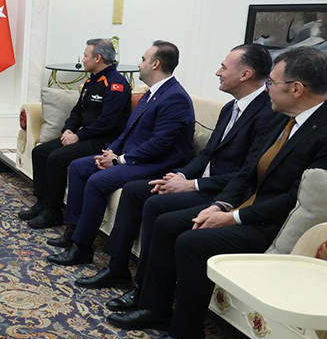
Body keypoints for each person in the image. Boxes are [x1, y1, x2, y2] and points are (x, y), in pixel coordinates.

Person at [108, 48, 327, 339]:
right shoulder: (286, 114)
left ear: (296, 89)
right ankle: (154, 308)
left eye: (271, 83)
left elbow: (296, 198)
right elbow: (247, 171)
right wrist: (220, 205)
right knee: (166, 222)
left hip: (280, 224)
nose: (266, 89)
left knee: (191, 241)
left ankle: (185, 338)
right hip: (250, 206)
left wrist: (235, 218)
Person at [84, 45, 276, 302]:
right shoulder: (231, 107)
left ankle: (144, 288)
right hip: (200, 180)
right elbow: (206, 155)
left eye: (223, 67)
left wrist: (193, 185)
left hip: (223, 192)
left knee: (155, 205)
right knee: (134, 190)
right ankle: (117, 269)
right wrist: (180, 176)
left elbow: (247, 173)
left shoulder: (268, 114)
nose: (217, 72)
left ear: (245, 74)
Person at [46, 41, 195, 266]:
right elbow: (128, 131)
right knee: (78, 166)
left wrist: (119, 160)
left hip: (158, 163)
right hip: (134, 157)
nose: (139, 64)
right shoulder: (151, 93)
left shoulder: (175, 97)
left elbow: (160, 144)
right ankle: (74, 231)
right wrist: (111, 151)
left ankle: (82, 248)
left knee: (97, 181)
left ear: (155, 64)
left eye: (143, 60)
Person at [22, 38, 131, 228]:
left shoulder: (116, 84)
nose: (82, 59)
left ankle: (53, 211)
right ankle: (42, 202)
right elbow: (77, 111)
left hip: (104, 141)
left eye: (86, 55)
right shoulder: (91, 81)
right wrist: (68, 130)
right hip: (86, 135)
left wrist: (78, 136)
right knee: (40, 152)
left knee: (57, 158)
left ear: (98, 58)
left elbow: (108, 122)